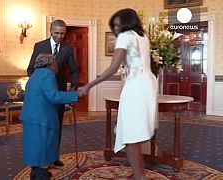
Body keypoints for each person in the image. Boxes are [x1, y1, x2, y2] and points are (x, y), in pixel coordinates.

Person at [78, 8, 157, 180]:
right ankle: (140, 174)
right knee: (134, 133)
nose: (115, 28)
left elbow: (113, 68)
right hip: (148, 84)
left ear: (126, 21)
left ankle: (139, 177)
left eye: (116, 24)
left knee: (129, 134)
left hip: (135, 86)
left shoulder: (125, 36)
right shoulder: (143, 37)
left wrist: (88, 86)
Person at [27, 19, 79, 167]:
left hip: (58, 92)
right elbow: (30, 69)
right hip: (42, 95)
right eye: (56, 33)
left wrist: (74, 87)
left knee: (56, 125)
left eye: (62, 33)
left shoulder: (68, 49)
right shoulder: (40, 46)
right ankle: (41, 158)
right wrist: (38, 85)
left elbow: (74, 70)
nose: (59, 36)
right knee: (43, 126)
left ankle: (54, 156)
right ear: (51, 30)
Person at [20, 54, 79, 180]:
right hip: (42, 119)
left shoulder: (35, 75)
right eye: (55, 62)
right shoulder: (47, 74)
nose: (57, 65)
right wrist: (75, 95)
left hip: (31, 117)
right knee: (43, 151)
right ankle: (41, 176)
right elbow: (53, 96)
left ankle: (35, 174)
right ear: (50, 64)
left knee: (36, 149)